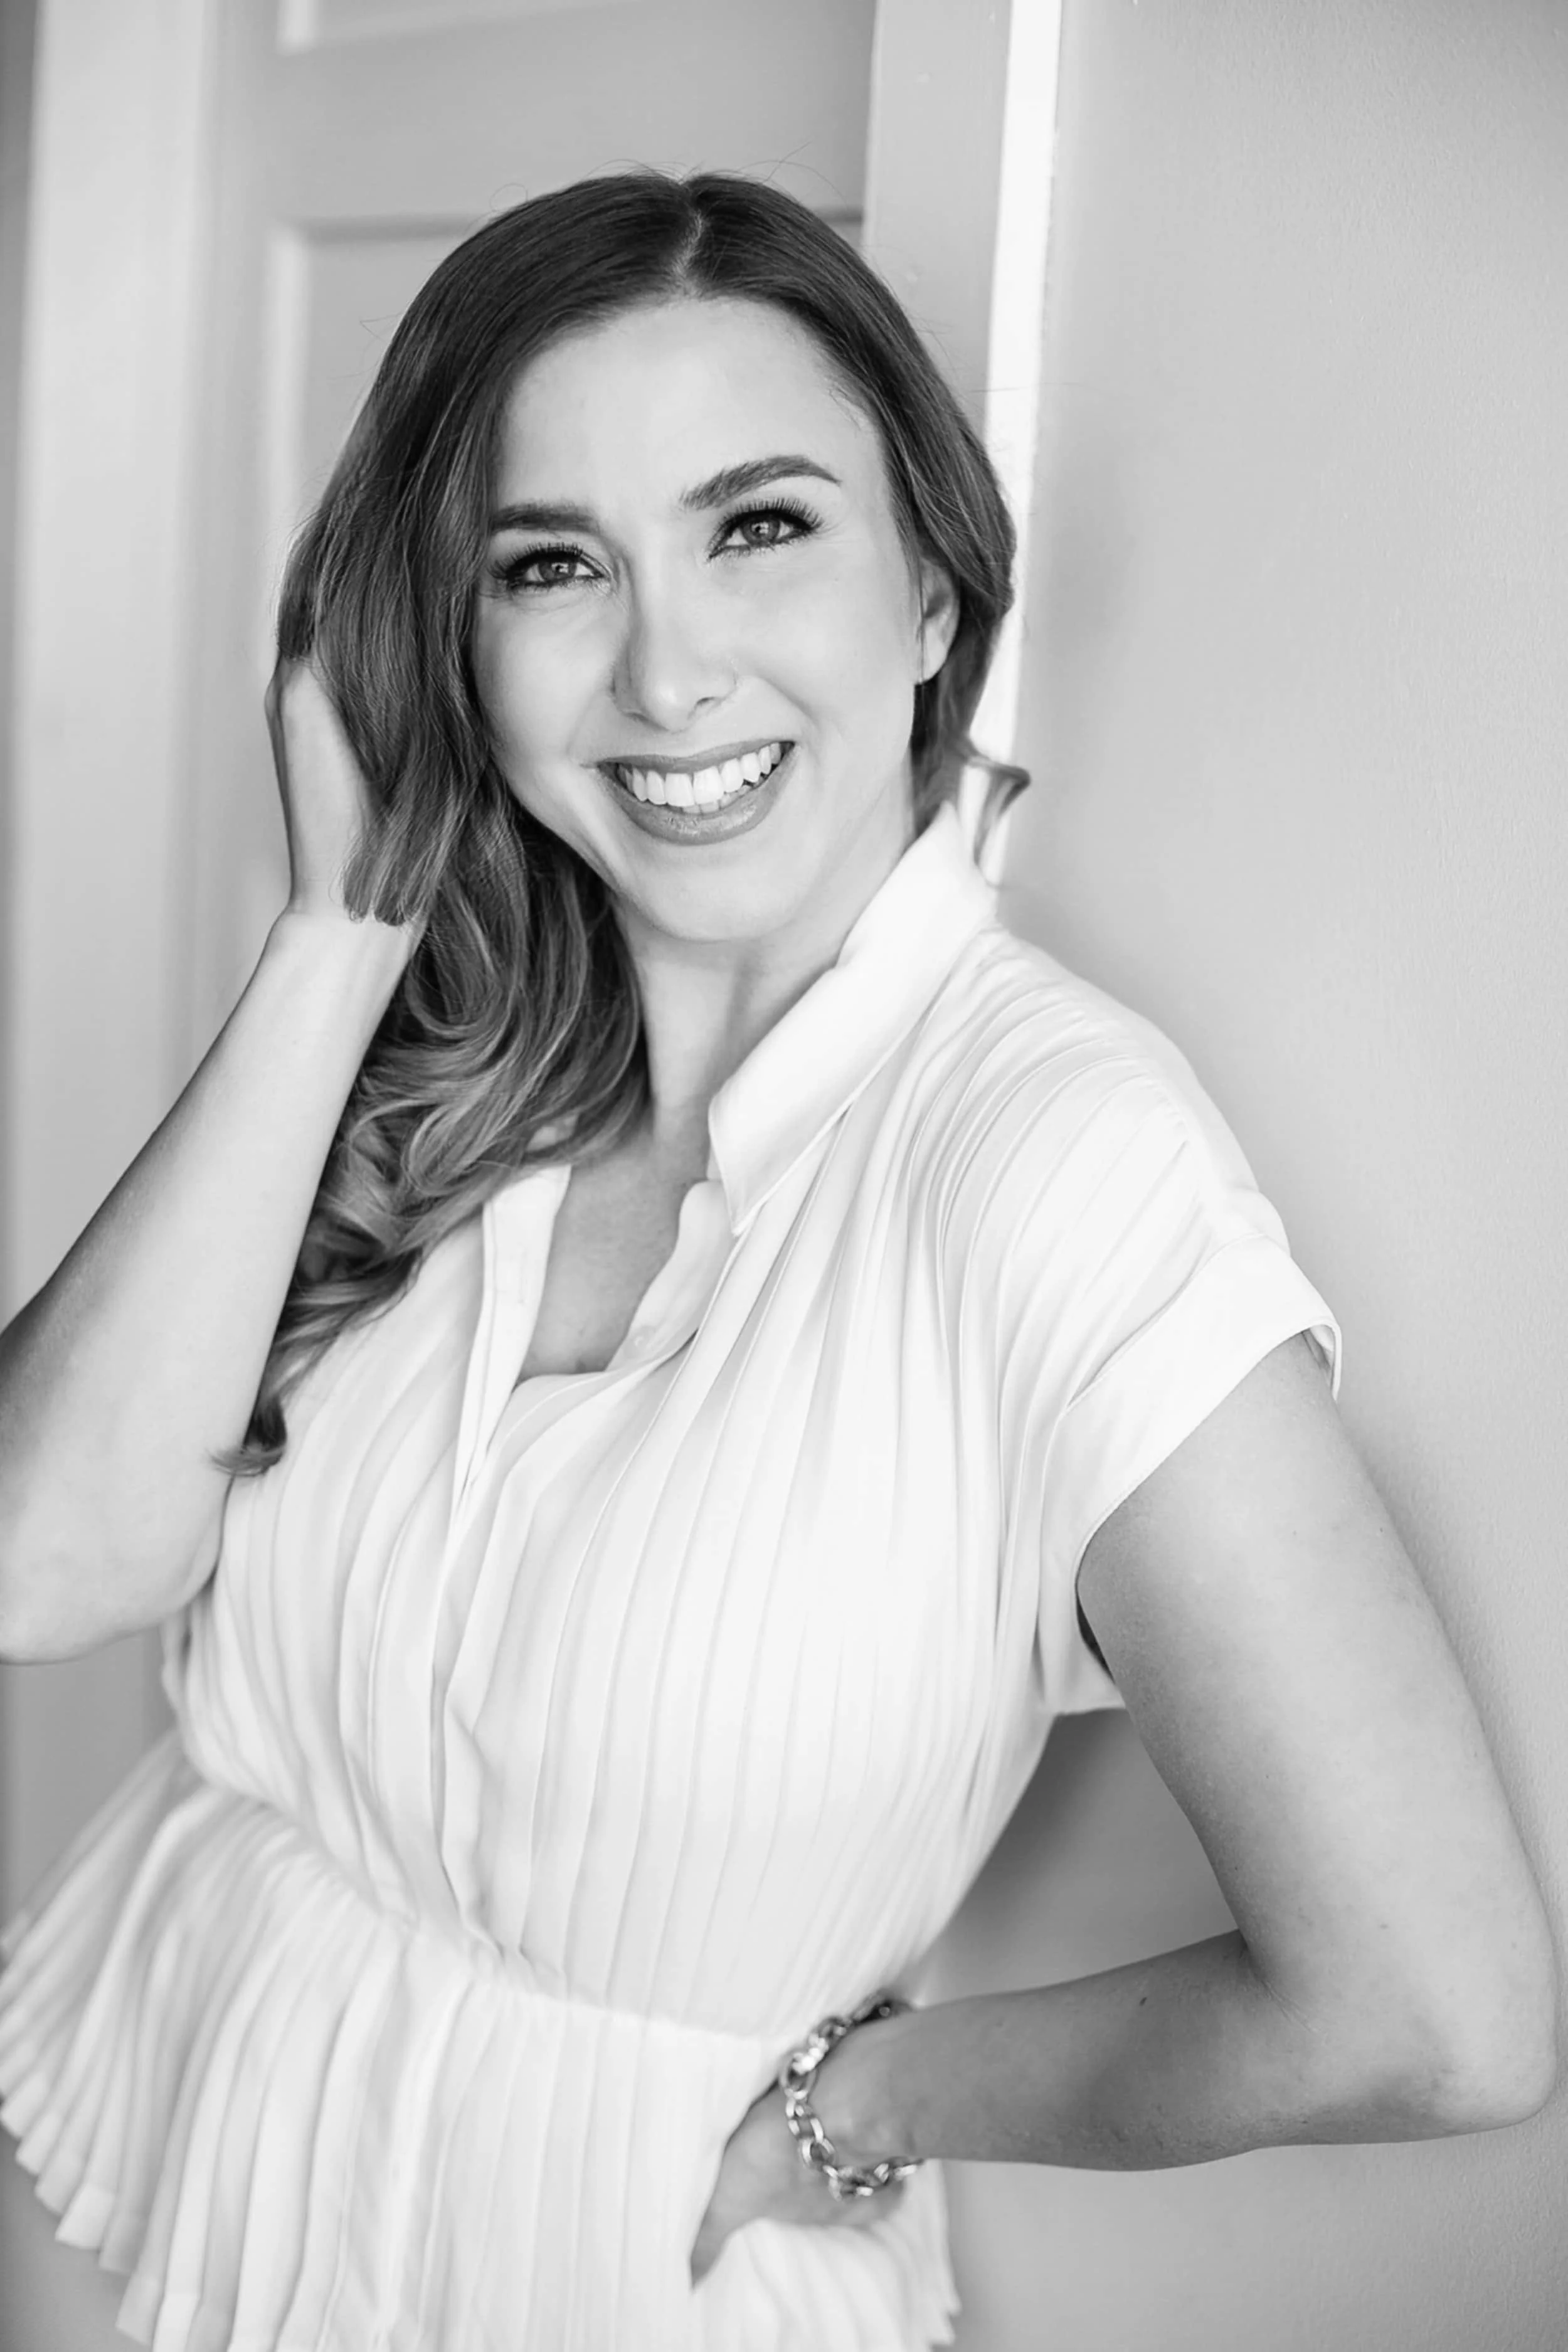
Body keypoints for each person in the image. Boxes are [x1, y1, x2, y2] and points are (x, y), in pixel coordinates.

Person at [0, 167, 1554, 2352]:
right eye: (552, 566)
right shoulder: (440, 1029)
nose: (661, 668)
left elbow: (1435, 2005)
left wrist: (863, 2103)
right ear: (445, 638)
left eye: (758, 525)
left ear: (930, 589)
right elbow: (37, 1560)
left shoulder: (1054, 1164)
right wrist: (335, 926)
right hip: (153, 2145)